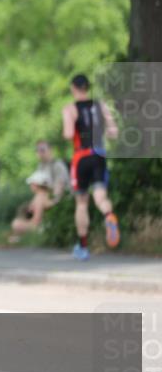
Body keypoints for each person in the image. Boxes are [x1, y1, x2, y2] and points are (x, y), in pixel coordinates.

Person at [62, 73, 120, 260]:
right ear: (87, 87)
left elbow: (69, 134)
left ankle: (83, 247)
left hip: (81, 157)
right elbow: (113, 132)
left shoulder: (70, 109)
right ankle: (108, 215)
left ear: (73, 88)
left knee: (81, 202)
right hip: (99, 155)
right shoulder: (100, 105)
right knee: (101, 196)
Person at [9, 140, 69, 242]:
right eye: (37, 150)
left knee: (40, 196)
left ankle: (36, 226)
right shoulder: (41, 166)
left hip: (60, 199)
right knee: (25, 207)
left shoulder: (57, 165)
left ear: (50, 150)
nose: (39, 153)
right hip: (45, 197)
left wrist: (54, 201)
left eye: (42, 150)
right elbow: (38, 186)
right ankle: (27, 229)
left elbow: (60, 188)